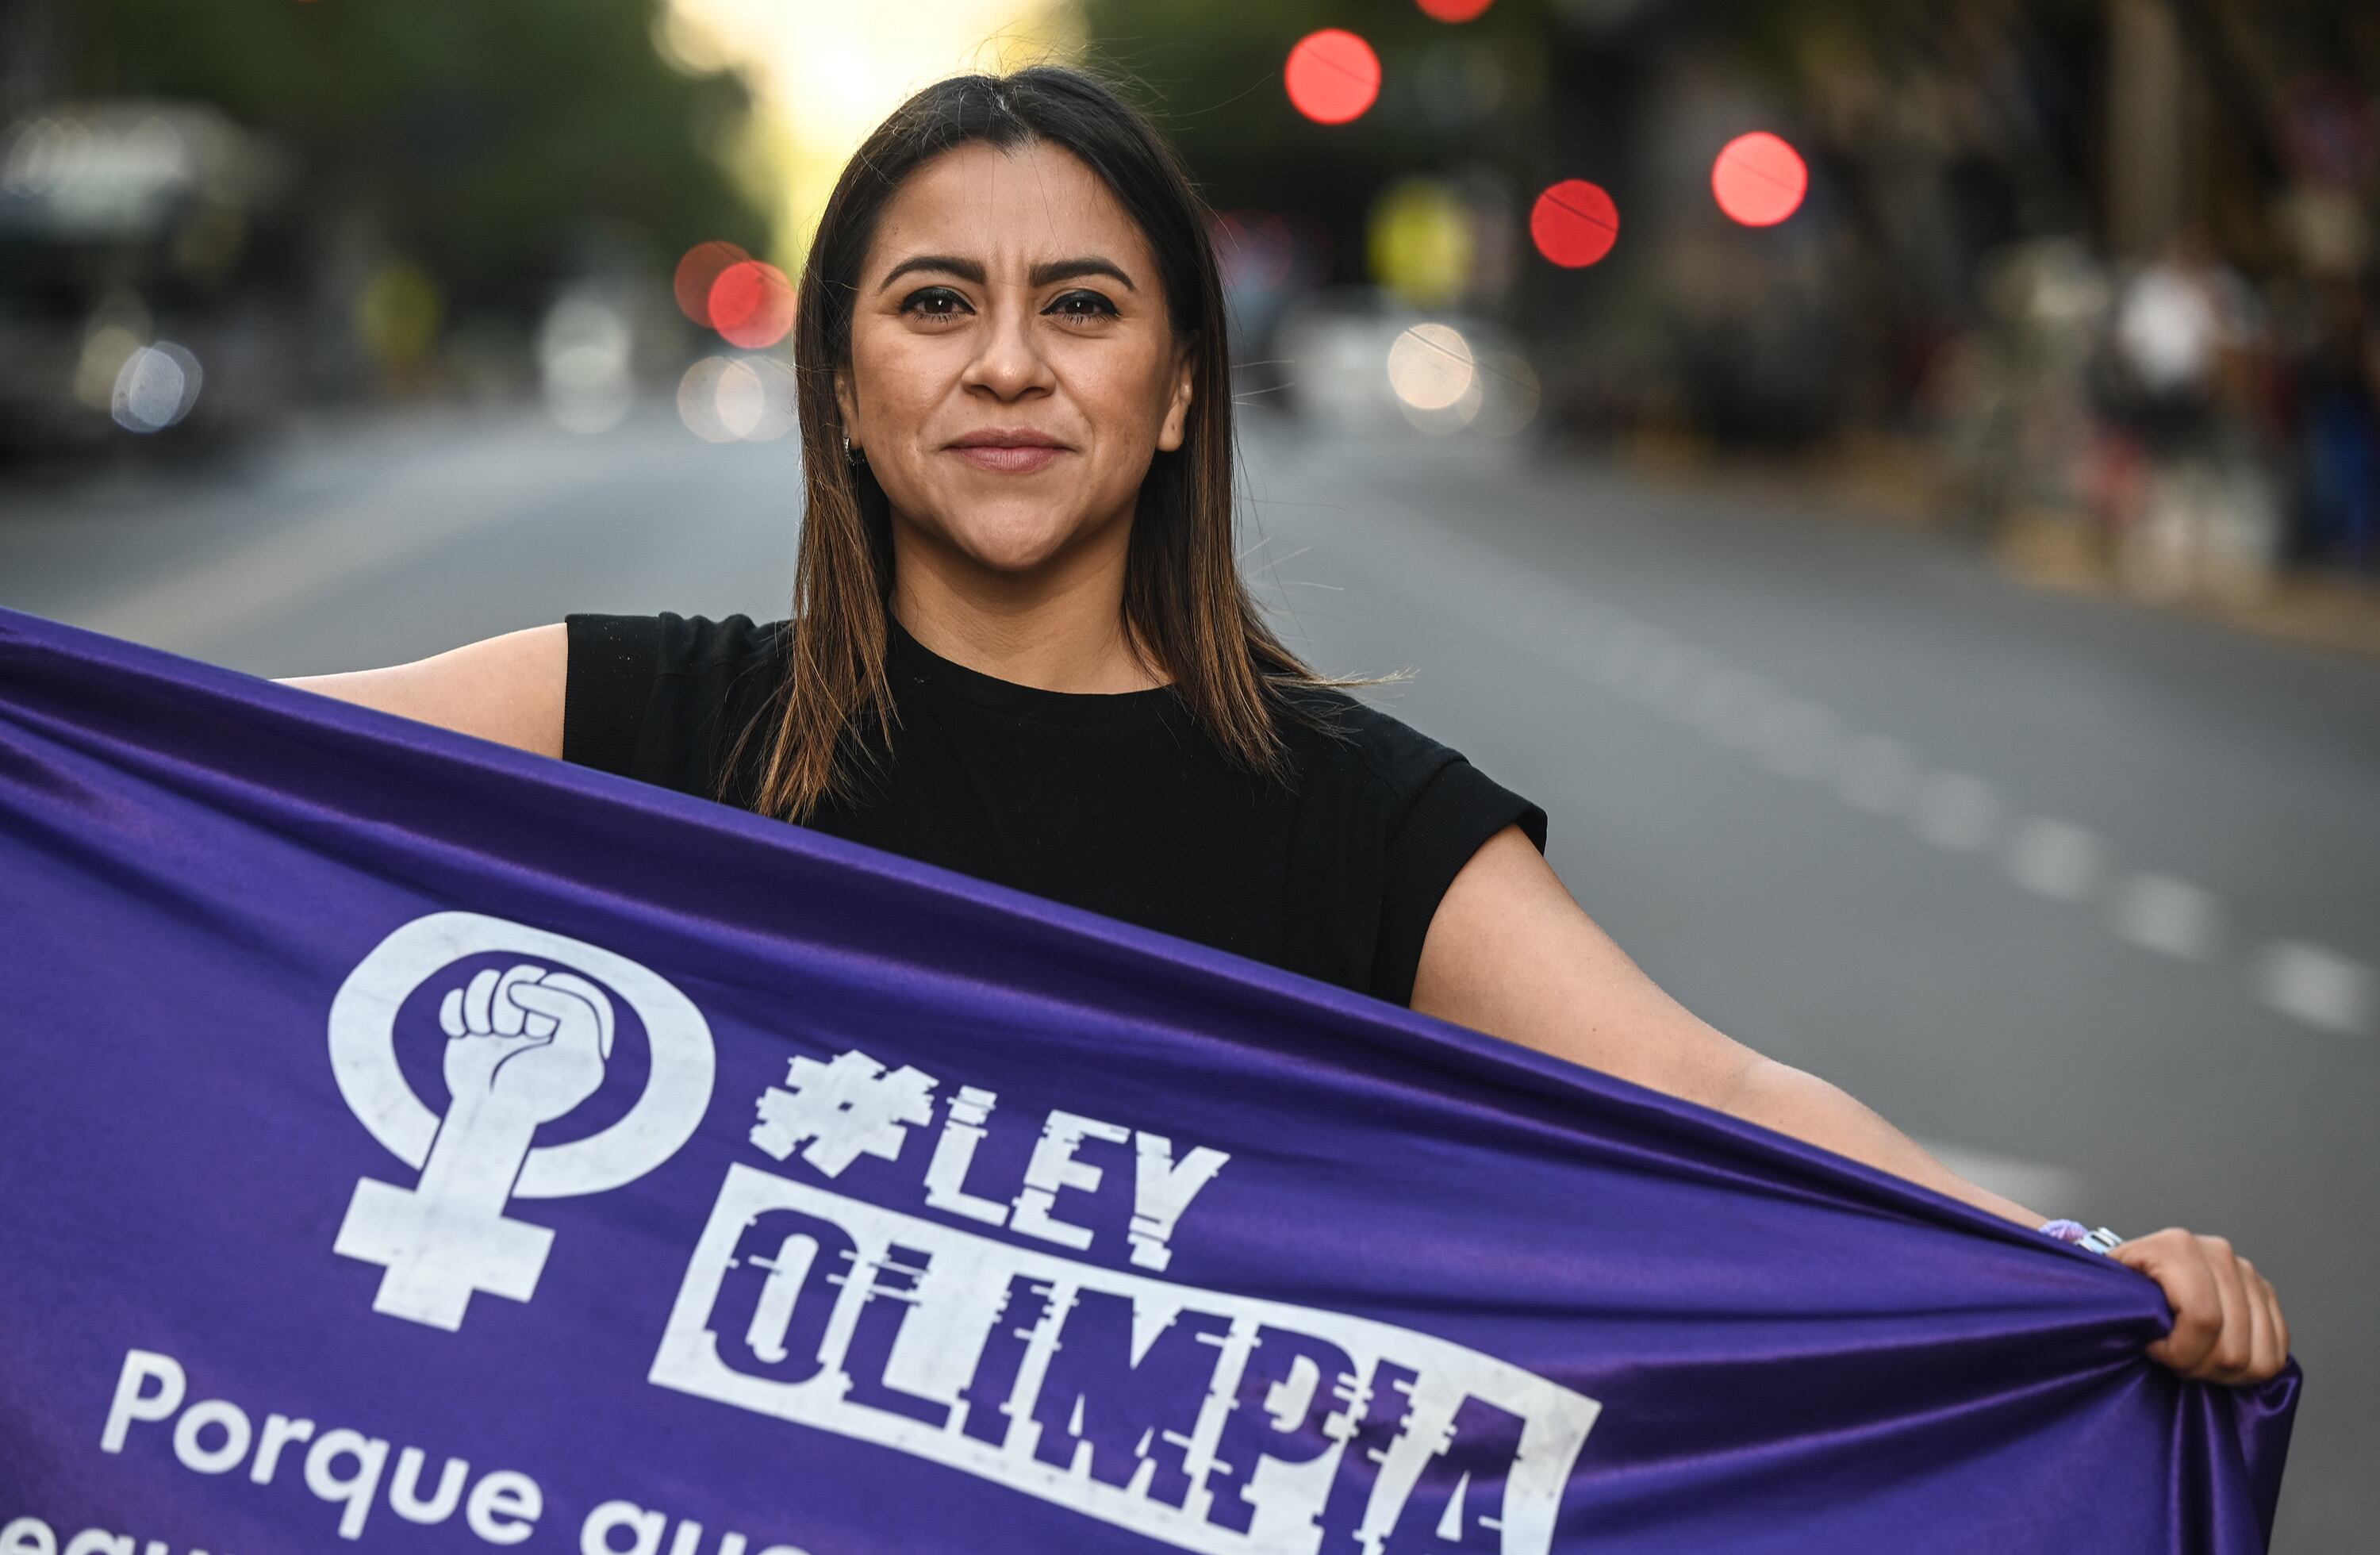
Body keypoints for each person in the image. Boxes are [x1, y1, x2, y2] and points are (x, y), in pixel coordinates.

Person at [282, 67, 2287, 1388]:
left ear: (1175, 392)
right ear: (838, 385)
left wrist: (2078, 1271)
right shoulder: (624, 707)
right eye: (931, 306)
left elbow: (1723, 1096)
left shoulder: (1357, 820)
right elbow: (176, 777)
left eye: (1080, 305)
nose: (1005, 365)